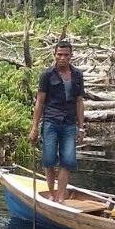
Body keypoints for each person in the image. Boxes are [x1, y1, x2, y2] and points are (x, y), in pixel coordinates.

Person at [29, 41, 85, 203]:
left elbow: (79, 102)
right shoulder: (47, 75)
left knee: (67, 161)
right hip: (51, 122)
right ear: (54, 55)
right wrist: (34, 128)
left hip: (68, 122)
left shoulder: (77, 75)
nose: (62, 58)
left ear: (71, 56)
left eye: (66, 55)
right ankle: (51, 193)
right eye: (59, 54)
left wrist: (81, 128)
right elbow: (39, 102)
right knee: (49, 160)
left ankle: (61, 196)